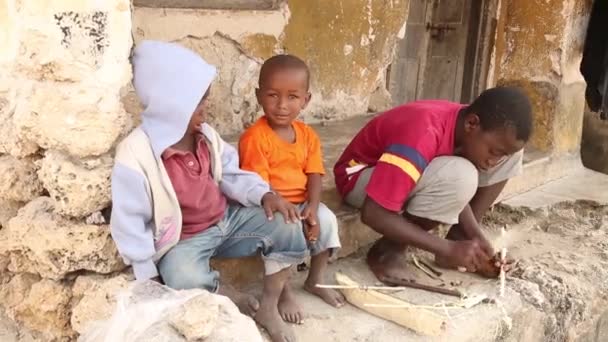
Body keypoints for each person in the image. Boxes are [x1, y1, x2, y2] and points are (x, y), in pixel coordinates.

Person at [110, 40, 307, 342]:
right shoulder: (135, 154)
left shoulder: (205, 136)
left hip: (226, 222)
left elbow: (232, 174)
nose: (207, 107)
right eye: (198, 101)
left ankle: (270, 305)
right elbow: (129, 221)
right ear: (170, 104)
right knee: (181, 275)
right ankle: (223, 291)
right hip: (183, 240)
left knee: (286, 224)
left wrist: (265, 195)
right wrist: (146, 273)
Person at [333, 87, 532, 282]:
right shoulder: (423, 132)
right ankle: (389, 249)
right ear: (472, 123)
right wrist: (446, 248)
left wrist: (476, 237)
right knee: (462, 175)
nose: (493, 163)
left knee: (511, 155)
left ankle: (460, 237)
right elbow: (374, 213)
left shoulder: (470, 127)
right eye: (493, 153)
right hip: (360, 178)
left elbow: (445, 183)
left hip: (406, 175)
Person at [239, 55, 344, 325]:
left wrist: (312, 207)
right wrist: (292, 213)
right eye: (273, 95)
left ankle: (315, 280)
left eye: (292, 97)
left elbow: (315, 174)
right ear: (258, 95)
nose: (282, 105)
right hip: (270, 205)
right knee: (285, 232)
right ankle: (283, 291)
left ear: (306, 100)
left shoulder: (307, 134)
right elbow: (260, 186)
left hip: (301, 203)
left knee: (328, 220)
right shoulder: (255, 137)